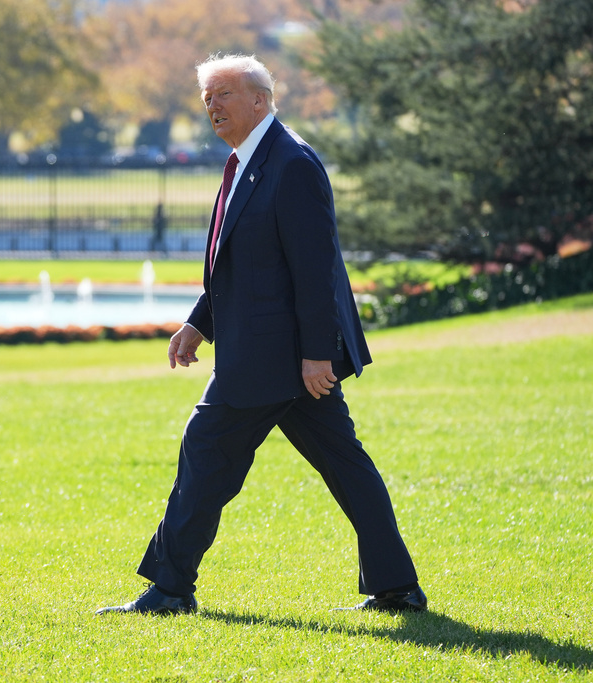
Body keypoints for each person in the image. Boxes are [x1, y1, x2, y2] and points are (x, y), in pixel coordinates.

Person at [97, 54, 426, 615]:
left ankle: (171, 590)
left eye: (224, 93)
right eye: (207, 97)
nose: (212, 106)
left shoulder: (290, 161)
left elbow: (315, 266)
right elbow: (246, 264)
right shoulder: (247, 161)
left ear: (260, 98)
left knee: (206, 452)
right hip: (275, 356)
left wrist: (318, 355)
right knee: (346, 466)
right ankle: (397, 589)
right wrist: (200, 322)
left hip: (278, 359)